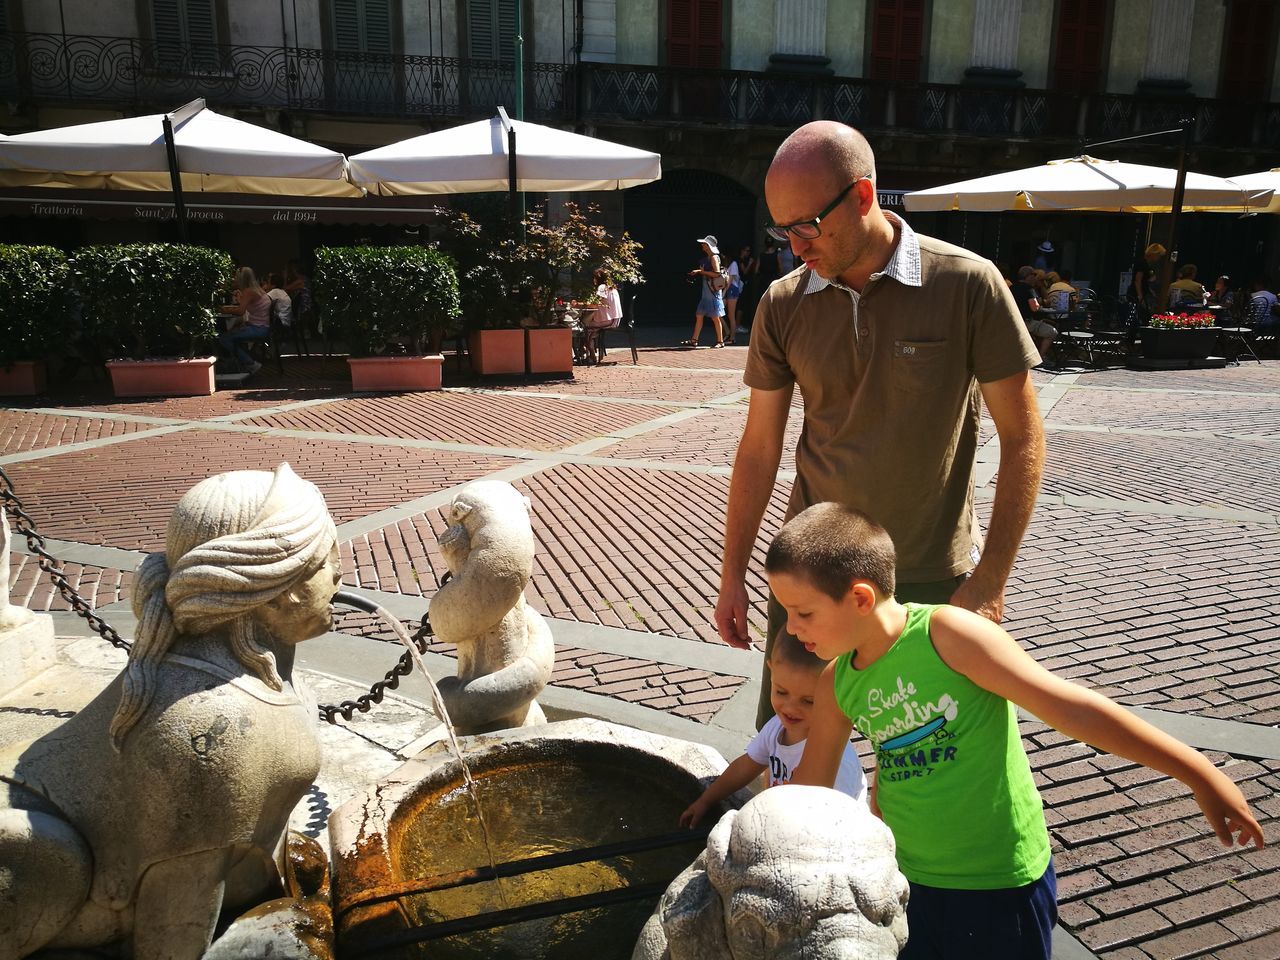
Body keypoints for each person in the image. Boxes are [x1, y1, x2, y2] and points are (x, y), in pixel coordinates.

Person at [774, 502, 1265, 960]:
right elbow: (810, 794)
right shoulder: (837, 681)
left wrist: (1200, 771)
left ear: (860, 597)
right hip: (908, 880)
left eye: (803, 612)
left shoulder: (950, 636)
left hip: (999, 882)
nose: (791, 628)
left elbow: (1073, 708)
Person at [712, 121, 1044, 732]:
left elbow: (1023, 437)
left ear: (863, 197)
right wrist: (733, 575)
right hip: (811, 576)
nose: (793, 246)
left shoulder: (967, 284)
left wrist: (991, 580)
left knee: (929, 765)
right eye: (781, 229)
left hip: (929, 577)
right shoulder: (783, 303)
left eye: (807, 225)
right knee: (790, 761)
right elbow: (759, 449)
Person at [0, 464, 342, 958]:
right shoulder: (209, 724)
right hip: (57, 878)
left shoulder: (252, 678)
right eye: (327, 559)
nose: (340, 572)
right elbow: (177, 906)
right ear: (276, 584)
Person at [678, 631, 867, 828]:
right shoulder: (777, 727)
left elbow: (835, 824)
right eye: (781, 692)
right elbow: (745, 766)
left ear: (837, 693)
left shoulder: (840, 763)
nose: (790, 708)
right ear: (771, 672)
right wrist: (706, 800)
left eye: (808, 701)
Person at [218, 266, 271, 375]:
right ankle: (242, 363)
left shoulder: (249, 291)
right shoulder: (257, 289)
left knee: (224, 338)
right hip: (263, 326)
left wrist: (223, 309)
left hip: (258, 328)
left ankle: (251, 364)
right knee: (233, 332)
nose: (234, 280)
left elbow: (240, 311)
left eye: (236, 278)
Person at [681, 235, 727, 348]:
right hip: (707, 292)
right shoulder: (709, 257)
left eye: (704, 244)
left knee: (715, 317)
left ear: (709, 246)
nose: (702, 245)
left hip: (712, 292)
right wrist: (699, 271)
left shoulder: (714, 258)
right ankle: (694, 340)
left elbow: (717, 273)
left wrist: (701, 272)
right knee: (699, 315)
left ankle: (720, 341)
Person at [580, 268, 622, 362]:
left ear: (598, 278)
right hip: (615, 319)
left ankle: (591, 355)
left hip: (608, 320)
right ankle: (583, 351)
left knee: (584, 327)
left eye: (594, 277)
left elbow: (594, 304)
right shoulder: (612, 288)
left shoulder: (602, 287)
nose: (593, 280)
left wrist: (579, 304)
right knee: (588, 327)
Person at [1126, 242, 1166, 323]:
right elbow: (1138, 280)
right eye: (1159, 256)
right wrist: (1140, 296)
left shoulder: (1147, 264)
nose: (1159, 258)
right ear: (1154, 254)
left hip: (1143, 292)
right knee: (1140, 316)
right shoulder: (1142, 264)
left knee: (1143, 315)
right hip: (1137, 294)